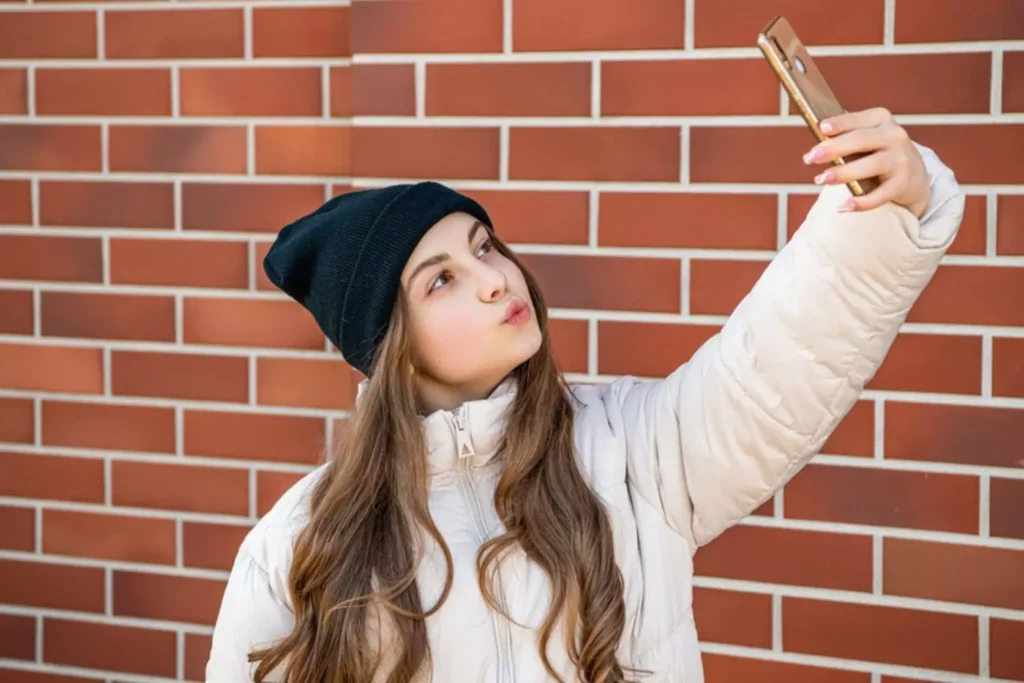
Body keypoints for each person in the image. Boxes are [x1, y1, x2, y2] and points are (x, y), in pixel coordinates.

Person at [205, 108, 965, 683]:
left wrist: (885, 203)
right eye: (442, 279)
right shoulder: (298, 546)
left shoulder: (633, 450)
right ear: (391, 353)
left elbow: (776, 361)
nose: (495, 276)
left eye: (483, 245)